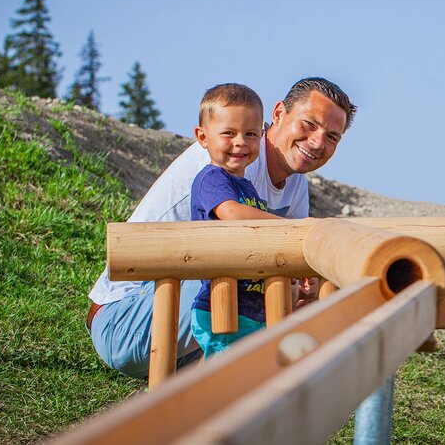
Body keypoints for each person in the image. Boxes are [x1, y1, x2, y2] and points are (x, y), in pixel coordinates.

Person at [87, 77, 356, 378]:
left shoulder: (295, 187)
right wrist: (305, 231)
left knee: (308, 293)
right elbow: (238, 221)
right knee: (252, 269)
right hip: (126, 320)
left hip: (192, 333)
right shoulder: (229, 160)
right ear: (279, 114)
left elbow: (296, 263)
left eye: (332, 137)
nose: (318, 142)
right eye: (309, 124)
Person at [188, 84, 278, 358]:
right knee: (226, 378)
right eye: (229, 133)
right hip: (223, 303)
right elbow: (231, 214)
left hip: (251, 304)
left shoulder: (247, 188)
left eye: (250, 134)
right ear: (202, 137)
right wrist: (287, 226)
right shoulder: (212, 179)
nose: (240, 142)